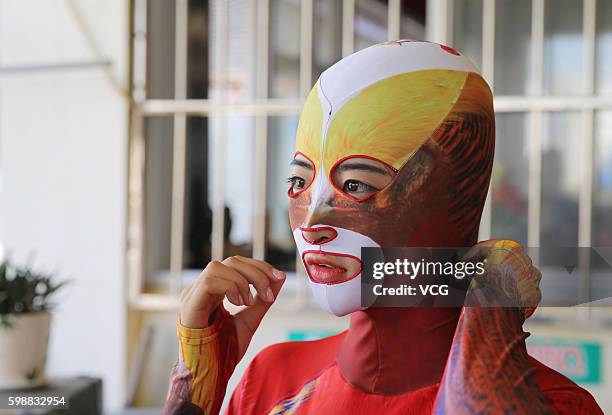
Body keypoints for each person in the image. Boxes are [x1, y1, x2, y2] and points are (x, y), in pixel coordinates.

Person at [163, 40, 603, 415]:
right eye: (299, 181)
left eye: (355, 184)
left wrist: (487, 347)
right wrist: (194, 387)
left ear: (453, 197)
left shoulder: (554, 405)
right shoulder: (272, 379)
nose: (312, 223)